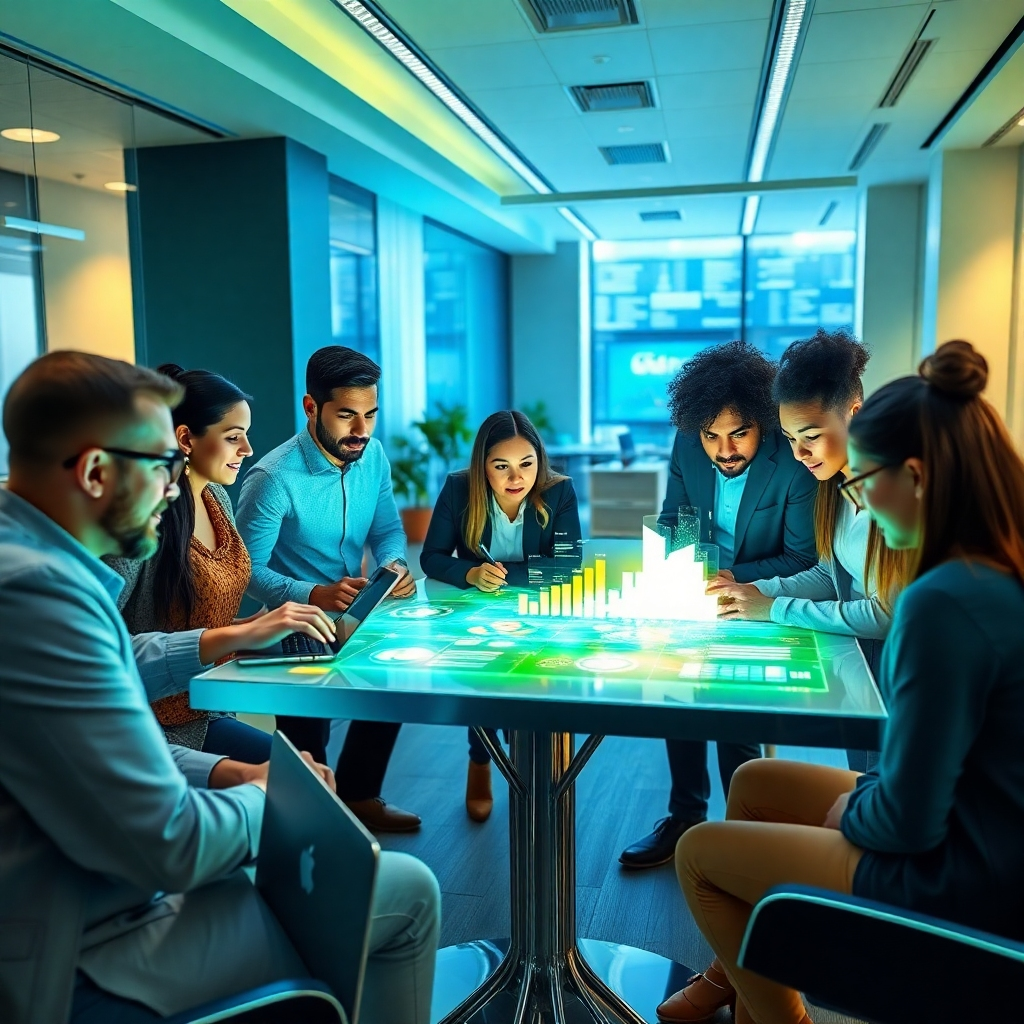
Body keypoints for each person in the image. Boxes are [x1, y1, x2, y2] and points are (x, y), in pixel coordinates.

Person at [0, 351, 440, 1024]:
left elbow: (94, 721)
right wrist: (273, 797)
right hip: (78, 943)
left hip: (101, 885)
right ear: (94, 473)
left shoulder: (33, 562)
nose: (173, 486)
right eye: (161, 464)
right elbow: (170, 841)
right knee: (405, 889)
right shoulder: (37, 595)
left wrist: (226, 770)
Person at [658, 339, 1024, 1024]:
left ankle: (777, 1014)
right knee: (753, 782)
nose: (858, 500)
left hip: (960, 871)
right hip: (977, 826)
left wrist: (851, 812)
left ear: (914, 477)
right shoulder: (986, 568)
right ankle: (740, 986)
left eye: (863, 483)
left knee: (698, 852)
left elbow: (908, 820)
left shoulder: (939, 603)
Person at [620, 340, 818, 869]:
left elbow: (801, 557)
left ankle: (743, 832)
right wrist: (678, 562)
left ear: (762, 422)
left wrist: (734, 577)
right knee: (677, 693)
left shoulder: (793, 460)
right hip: (698, 591)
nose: (723, 449)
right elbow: (674, 518)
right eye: (711, 436)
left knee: (735, 718)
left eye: (738, 434)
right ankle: (685, 815)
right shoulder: (688, 444)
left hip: (762, 593)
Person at [105, 364, 337, 764]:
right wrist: (243, 634)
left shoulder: (216, 498)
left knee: (307, 757)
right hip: (158, 724)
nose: (247, 449)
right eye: (233, 437)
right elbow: (97, 640)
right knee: (298, 774)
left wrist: (257, 626)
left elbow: (199, 620)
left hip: (212, 703)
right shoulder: (143, 518)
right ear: (186, 439)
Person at [236, 345, 419, 833]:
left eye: (370, 415)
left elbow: (387, 529)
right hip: (294, 624)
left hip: (359, 612)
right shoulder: (272, 478)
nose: (362, 430)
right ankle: (311, 824)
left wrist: (394, 565)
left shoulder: (373, 456)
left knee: (391, 685)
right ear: (311, 407)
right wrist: (313, 594)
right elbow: (244, 571)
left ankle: (359, 796)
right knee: (308, 735)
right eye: (346, 415)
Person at [708, 329, 907, 773]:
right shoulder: (835, 484)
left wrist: (774, 608)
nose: (798, 453)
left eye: (810, 436)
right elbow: (827, 575)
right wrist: (753, 592)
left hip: (902, 673)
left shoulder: (894, 496)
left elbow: (885, 614)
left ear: (855, 414)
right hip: (864, 661)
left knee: (879, 793)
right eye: (789, 437)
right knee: (863, 783)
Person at [421, 410, 581, 822]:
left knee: (527, 687)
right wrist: (470, 574)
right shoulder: (459, 488)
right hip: (478, 605)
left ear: (539, 460)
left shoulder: (559, 491)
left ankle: (525, 767)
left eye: (526, 464)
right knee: (481, 682)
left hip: (539, 610)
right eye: (501, 466)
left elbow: (568, 566)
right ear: (482, 466)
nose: (516, 477)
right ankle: (480, 761)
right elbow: (432, 557)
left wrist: (505, 574)